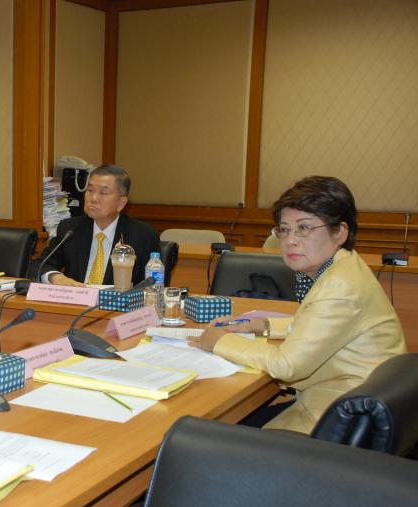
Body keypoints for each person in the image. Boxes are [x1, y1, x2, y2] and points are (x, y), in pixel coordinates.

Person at [190, 176, 406, 433]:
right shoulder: (344, 267)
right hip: (346, 405)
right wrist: (261, 325)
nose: (290, 240)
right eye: (284, 229)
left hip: (338, 421)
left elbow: (287, 366)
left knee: (205, 431)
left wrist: (218, 341)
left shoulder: (340, 287)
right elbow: (319, 325)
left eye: (304, 228)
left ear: (340, 232)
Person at [31, 164, 160, 286]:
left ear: (121, 203)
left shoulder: (143, 236)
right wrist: (56, 278)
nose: (93, 198)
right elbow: (39, 265)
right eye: (90, 190)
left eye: (103, 193)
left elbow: (152, 284)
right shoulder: (70, 229)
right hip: (77, 300)